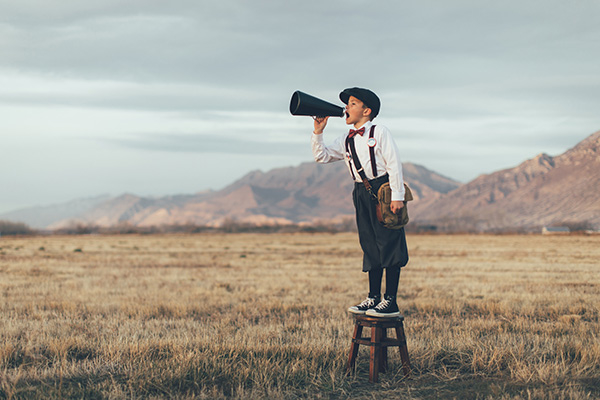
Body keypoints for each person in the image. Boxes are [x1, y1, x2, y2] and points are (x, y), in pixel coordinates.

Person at [311, 87, 409, 317]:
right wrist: (318, 132)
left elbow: (394, 163)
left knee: (389, 243)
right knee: (370, 243)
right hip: (361, 192)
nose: (346, 107)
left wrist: (397, 197)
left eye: (353, 103)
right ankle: (373, 297)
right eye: (348, 103)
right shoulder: (345, 138)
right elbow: (321, 156)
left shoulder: (379, 131)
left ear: (367, 111)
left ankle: (390, 301)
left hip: (383, 189)